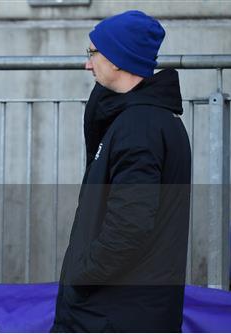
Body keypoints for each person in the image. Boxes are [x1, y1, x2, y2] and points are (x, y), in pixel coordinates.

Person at [52, 11, 191, 332]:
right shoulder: (143, 120)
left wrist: (82, 275)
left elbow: (129, 225)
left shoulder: (139, 127)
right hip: (121, 309)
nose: (87, 64)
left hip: (115, 313)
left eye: (92, 53)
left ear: (117, 59)